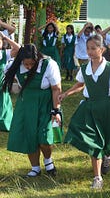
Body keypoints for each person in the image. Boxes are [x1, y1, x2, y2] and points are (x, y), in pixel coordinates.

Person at [59, 34, 110, 189]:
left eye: (93, 48)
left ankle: (108, 155)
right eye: (87, 48)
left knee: (107, 140)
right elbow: (80, 84)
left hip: (106, 109)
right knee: (94, 142)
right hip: (89, 108)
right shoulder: (84, 68)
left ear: (101, 49)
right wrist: (66, 93)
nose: (89, 51)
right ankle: (98, 177)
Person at [2, 43, 61, 177]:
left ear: (37, 59)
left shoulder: (49, 64)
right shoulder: (15, 65)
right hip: (26, 104)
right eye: (26, 64)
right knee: (29, 135)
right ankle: (35, 168)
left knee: (44, 136)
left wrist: (55, 110)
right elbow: (11, 82)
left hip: (45, 103)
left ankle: (48, 161)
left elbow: (56, 88)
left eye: (31, 64)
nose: (28, 67)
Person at [0, 32, 17, 131]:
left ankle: (4, 124)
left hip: (2, 83)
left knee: (4, 104)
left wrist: (7, 38)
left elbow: (19, 49)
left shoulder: (5, 54)